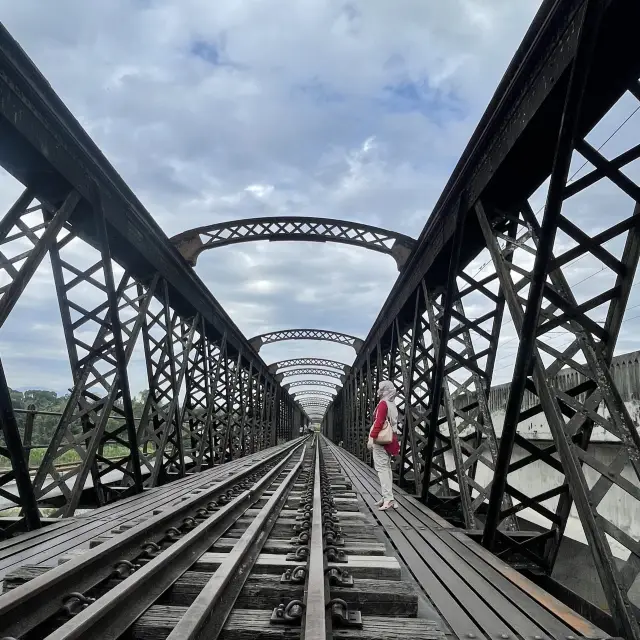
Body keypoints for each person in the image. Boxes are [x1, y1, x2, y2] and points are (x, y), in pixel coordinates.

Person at [367, 380, 400, 510]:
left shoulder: (383, 404)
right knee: (386, 469)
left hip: (381, 441)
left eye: (381, 389)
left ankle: (388, 499)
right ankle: (387, 497)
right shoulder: (392, 404)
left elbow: (379, 423)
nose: (378, 391)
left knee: (382, 470)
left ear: (384, 390)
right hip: (390, 440)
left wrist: (372, 439)